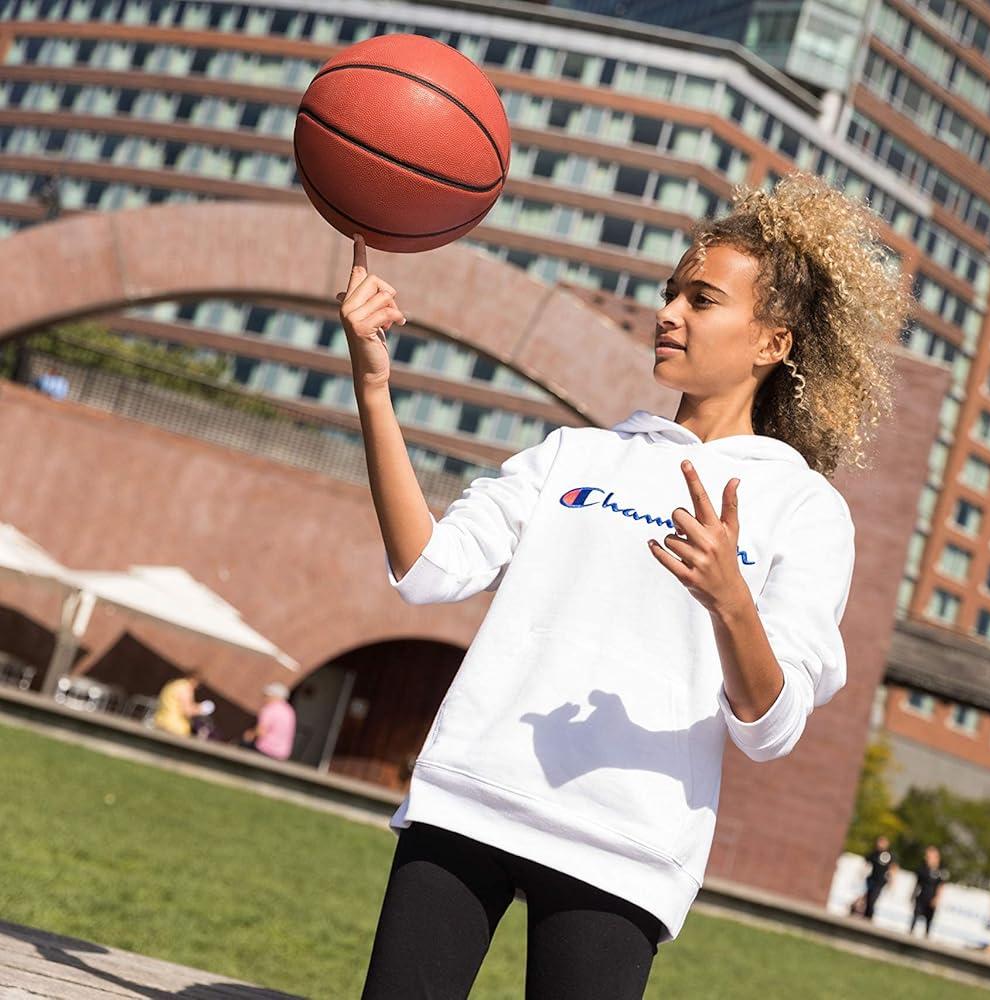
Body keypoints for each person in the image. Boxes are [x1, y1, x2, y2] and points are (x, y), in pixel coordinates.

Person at [344, 172, 904, 999]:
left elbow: (771, 728)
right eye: (671, 292)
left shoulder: (805, 509)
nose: (668, 313)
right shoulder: (575, 454)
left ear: (772, 343)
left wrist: (731, 603)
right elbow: (427, 569)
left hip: (626, 845)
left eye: (701, 300)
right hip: (470, 796)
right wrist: (372, 385)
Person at [240, 682, 296, 760]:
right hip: (282, 754)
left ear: (272, 696)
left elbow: (261, 732)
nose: (264, 699)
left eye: (266, 696)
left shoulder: (269, 709)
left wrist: (250, 734)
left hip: (265, 750)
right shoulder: (290, 711)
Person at [151, 668, 206, 738]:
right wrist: (201, 709)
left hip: (160, 721)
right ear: (194, 680)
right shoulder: (185, 688)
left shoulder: (173, 684)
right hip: (175, 727)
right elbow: (187, 711)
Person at [908, 845, 947, 937]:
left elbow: (941, 886)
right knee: (916, 915)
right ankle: (910, 933)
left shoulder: (941, 872)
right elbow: (917, 884)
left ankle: (926, 935)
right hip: (921, 896)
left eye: (929, 857)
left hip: (931, 898)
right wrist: (912, 895)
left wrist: (936, 898)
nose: (927, 858)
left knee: (929, 919)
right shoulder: (922, 869)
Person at [861, 834, 896, 920]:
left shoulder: (888, 855)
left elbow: (893, 867)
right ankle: (866, 916)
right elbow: (866, 863)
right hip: (872, 879)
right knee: (868, 899)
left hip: (880, 881)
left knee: (872, 899)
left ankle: (869, 917)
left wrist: (892, 880)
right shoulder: (874, 853)